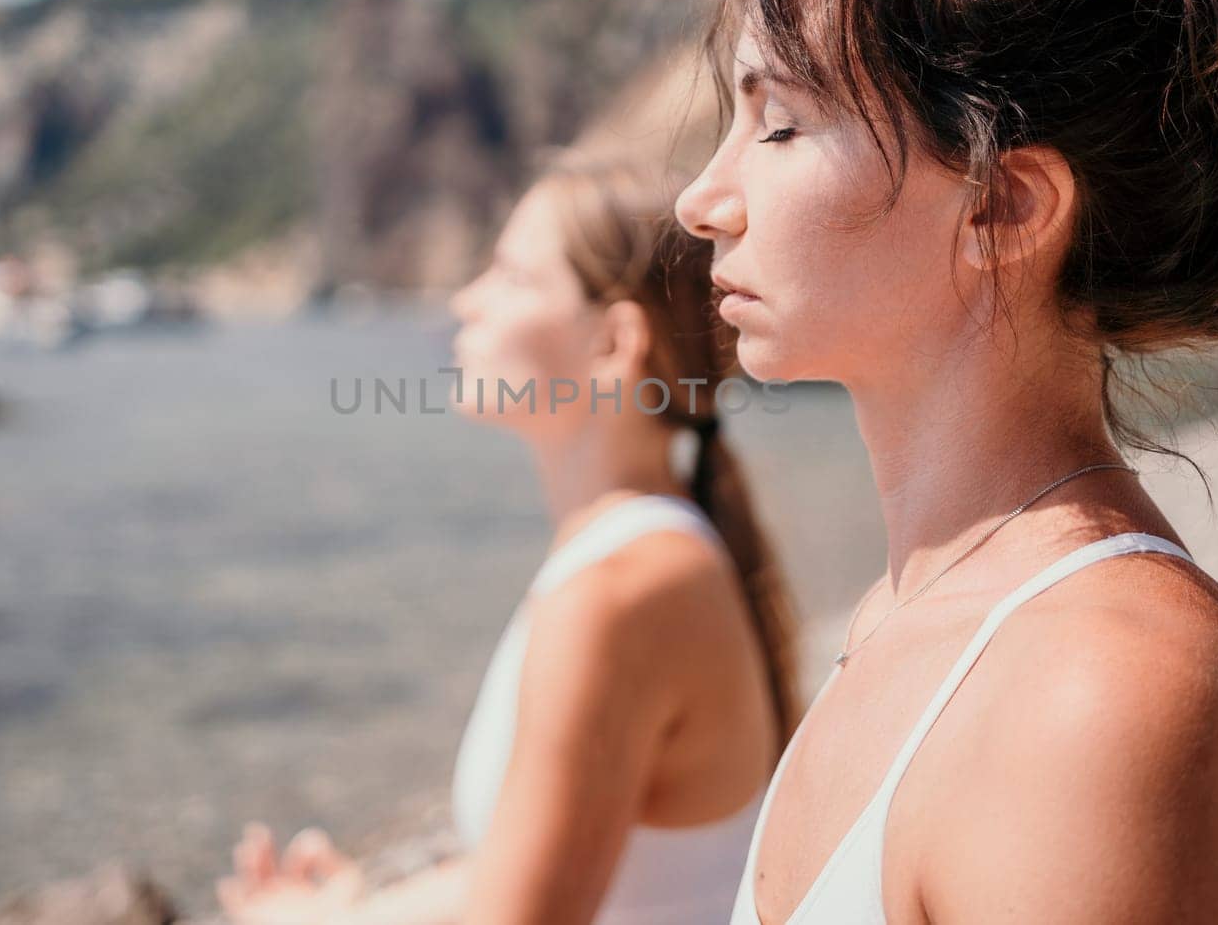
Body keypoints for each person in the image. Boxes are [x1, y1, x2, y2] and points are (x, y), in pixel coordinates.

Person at [674, 0, 1218, 921]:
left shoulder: (1096, 695)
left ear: (1002, 207)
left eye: (778, 124)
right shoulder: (920, 610)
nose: (699, 200)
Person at [216, 154, 802, 925]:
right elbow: (542, 865)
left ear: (612, 344)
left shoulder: (618, 593)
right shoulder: (643, 558)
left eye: (512, 277)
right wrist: (347, 907)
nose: (466, 300)